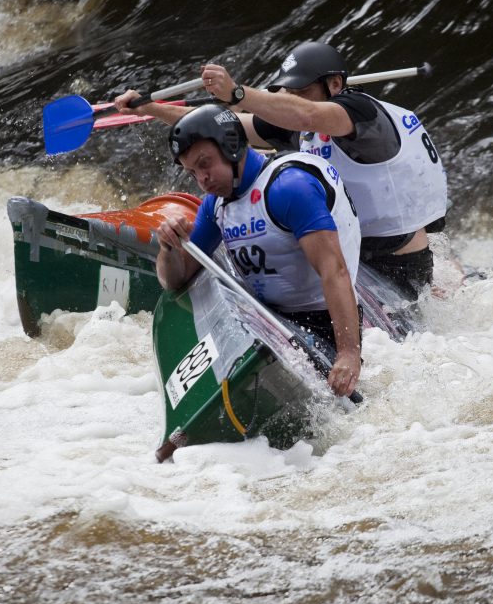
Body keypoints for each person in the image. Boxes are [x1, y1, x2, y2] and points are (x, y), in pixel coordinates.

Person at [115, 41, 448, 297]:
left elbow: (307, 115)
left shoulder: (362, 114)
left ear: (334, 84)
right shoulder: (297, 122)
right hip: (351, 257)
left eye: (300, 92)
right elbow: (224, 126)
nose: (292, 100)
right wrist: (151, 108)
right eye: (288, 93)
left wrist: (237, 93)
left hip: (398, 267)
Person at [154, 103, 363, 397]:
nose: (202, 179)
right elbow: (173, 280)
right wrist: (168, 249)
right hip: (270, 318)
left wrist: (348, 355)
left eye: (205, 163)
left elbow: (335, 271)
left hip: (325, 319)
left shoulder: (289, 188)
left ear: (232, 147)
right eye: (192, 172)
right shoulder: (215, 205)